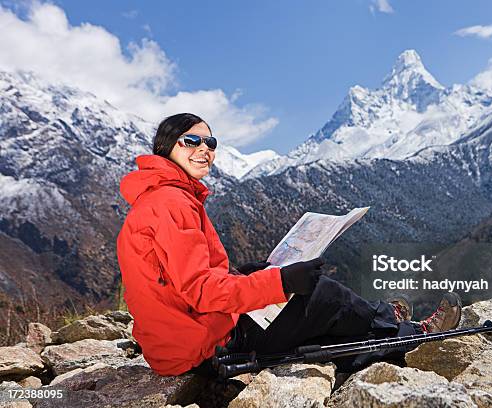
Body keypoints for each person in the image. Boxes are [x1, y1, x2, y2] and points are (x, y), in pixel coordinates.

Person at [116, 112, 462, 377]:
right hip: (205, 345)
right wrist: (281, 282)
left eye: (211, 143)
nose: (204, 150)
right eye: (191, 141)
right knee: (324, 297)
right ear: (165, 148)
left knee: (282, 292)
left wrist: (252, 276)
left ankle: (383, 324)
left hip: (175, 341)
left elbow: (181, 279)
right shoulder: (172, 204)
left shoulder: (159, 198)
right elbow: (202, 290)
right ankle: (411, 331)